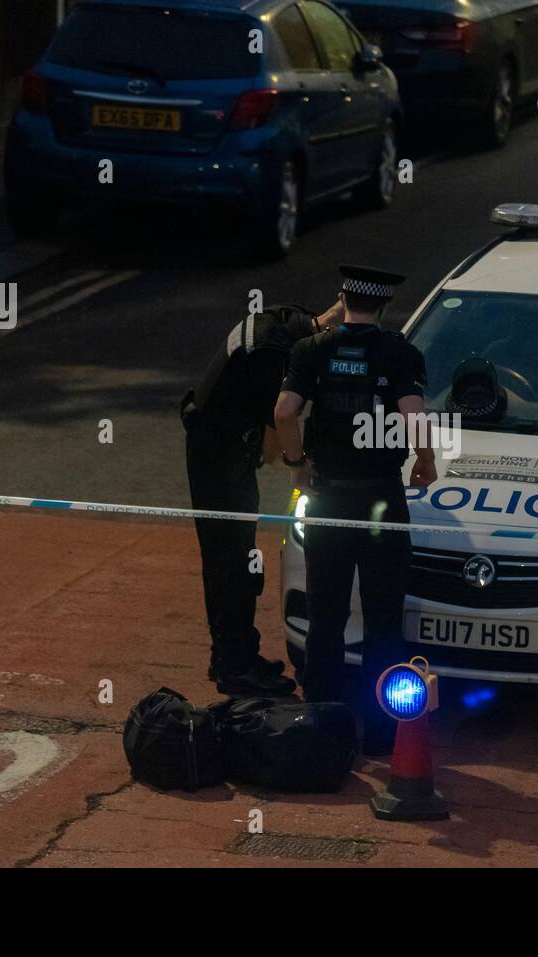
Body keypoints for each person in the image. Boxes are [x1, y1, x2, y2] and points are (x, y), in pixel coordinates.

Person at [273, 265, 437, 755]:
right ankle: (385, 735)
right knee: (384, 618)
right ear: (384, 306)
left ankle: (323, 729)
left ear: (343, 299)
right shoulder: (398, 353)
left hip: (328, 498)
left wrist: (297, 465)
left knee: (327, 616)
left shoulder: (311, 350)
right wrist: (424, 462)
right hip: (381, 500)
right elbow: (415, 415)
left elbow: (284, 412)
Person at [182, 300, 342, 696]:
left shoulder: (282, 321)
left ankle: (235, 656)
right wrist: (302, 464)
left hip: (219, 448)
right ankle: (235, 667)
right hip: (221, 460)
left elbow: (334, 313)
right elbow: (274, 447)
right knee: (231, 566)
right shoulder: (276, 357)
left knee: (236, 563)